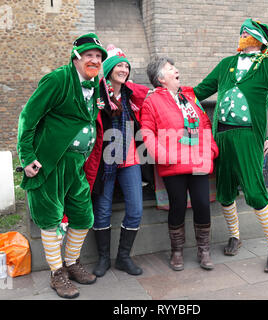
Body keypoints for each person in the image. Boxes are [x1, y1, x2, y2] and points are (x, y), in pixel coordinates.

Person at [193, 19, 268, 272]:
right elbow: (201, 90)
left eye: (248, 33)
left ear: (259, 39)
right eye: (241, 32)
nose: (243, 35)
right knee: (224, 190)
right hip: (222, 136)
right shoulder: (227, 64)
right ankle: (235, 235)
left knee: (254, 190)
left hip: (249, 136)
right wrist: (171, 95)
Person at [17, 33, 107, 298]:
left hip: (77, 164)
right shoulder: (57, 79)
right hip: (51, 162)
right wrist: (27, 156)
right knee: (50, 218)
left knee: (82, 216)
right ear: (76, 57)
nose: (95, 60)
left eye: (99, 56)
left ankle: (72, 263)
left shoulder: (95, 84)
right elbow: (28, 117)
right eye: (89, 55)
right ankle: (57, 274)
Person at [141, 56, 219, 271]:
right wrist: (162, 154)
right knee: (177, 206)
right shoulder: (152, 101)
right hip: (173, 163)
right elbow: (147, 131)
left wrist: (211, 148)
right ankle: (177, 251)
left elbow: (204, 123)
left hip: (198, 160)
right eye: (170, 68)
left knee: (202, 203)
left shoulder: (190, 98)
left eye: (174, 67)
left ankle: (204, 251)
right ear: (160, 78)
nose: (176, 70)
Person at [83, 45, 150, 278]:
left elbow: (151, 93)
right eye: (118, 66)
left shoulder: (131, 94)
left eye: (126, 66)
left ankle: (123, 257)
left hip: (130, 159)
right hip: (105, 160)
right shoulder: (98, 95)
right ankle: (103, 258)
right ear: (109, 69)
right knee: (102, 210)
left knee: (136, 209)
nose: (123, 69)